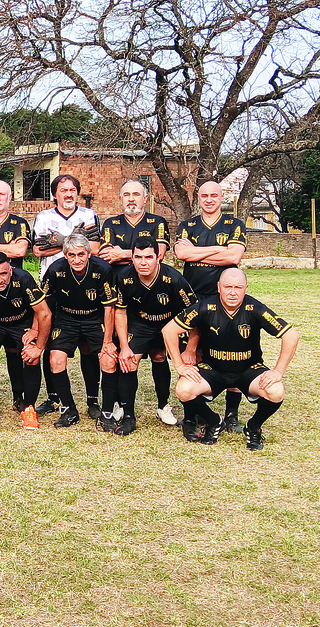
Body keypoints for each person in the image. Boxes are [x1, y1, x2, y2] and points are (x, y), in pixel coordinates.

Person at [164, 267, 300, 450]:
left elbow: (291, 335)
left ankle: (253, 428)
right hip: (214, 369)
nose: (233, 292)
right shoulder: (205, 306)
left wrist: (278, 371)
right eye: (228, 287)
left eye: (238, 287)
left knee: (276, 392)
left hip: (248, 370)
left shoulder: (255, 308)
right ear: (219, 287)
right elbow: (169, 330)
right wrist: (179, 366)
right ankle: (214, 422)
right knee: (183, 389)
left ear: (246, 288)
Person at [174, 180, 249, 432]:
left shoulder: (235, 225)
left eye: (213, 195)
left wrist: (197, 250)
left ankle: (231, 413)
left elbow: (234, 257)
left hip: (225, 300)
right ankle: (192, 414)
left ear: (221, 197)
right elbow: (182, 255)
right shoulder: (187, 225)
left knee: (232, 356)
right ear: (198, 198)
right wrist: (219, 250)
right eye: (204, 195)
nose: (209, 199)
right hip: (192, 298)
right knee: (191, 354)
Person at [98, 180, 171, 422]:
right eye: (127, 194)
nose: (131, 199)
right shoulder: (111, 224)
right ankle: (121, 402)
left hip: (153, 297)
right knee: (123, 351)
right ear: (121, 198)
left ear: (146, 198)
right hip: (122, 297)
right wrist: (131, 255)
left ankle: (163, 406)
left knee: (159, 354)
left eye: (136, 194)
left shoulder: (157, 223)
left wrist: (123, 253)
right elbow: (107, 255)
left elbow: (158, 254)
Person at [31, 174, 100, 416]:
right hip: (52, 286)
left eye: (72, 189)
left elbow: (97, 248)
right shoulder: (44, 217)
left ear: (77, 193)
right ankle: (54, 398)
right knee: (51, 342)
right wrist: (73, 242)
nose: (68, 194)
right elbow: (38, 249)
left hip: (84, 286)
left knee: (88, 346)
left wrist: (58, 241)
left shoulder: (88, 216)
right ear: (55, 194)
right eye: (63, 190)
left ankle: (92, 400)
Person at [112, 236, 196, 435]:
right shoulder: (124, 277)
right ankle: (129, 416)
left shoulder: (174, 279)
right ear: (131, 258)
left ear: (158, 257)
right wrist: (124, 346)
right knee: (129, 362)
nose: (143, 262)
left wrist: (191, 348)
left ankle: (163, 406)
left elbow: (194, 315)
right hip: (140, 323)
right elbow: (120, 312)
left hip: (170, 323)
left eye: (148, 257)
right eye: (138, 257)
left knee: (160, 356)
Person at [0, 252, 51, 429]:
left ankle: (28, 407)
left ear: (10, 271)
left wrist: (38, 344)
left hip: (22, 322)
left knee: (31, 356)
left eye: (3, 273)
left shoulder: (24, 279)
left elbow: (44, 313)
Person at [41, 234, 117, 429]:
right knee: (55, 359)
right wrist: (36, 330)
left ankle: (104, 411)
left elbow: (110, 308)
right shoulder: (55, 270)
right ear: (65, 255)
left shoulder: (103, 270)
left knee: (108, 359)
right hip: (66, 319)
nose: (77, 259)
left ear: (89, 254)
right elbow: (43, 304)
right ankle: (69, 410)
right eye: (72, 254)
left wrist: (108, 341)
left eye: (81, 254)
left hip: (95, 318)